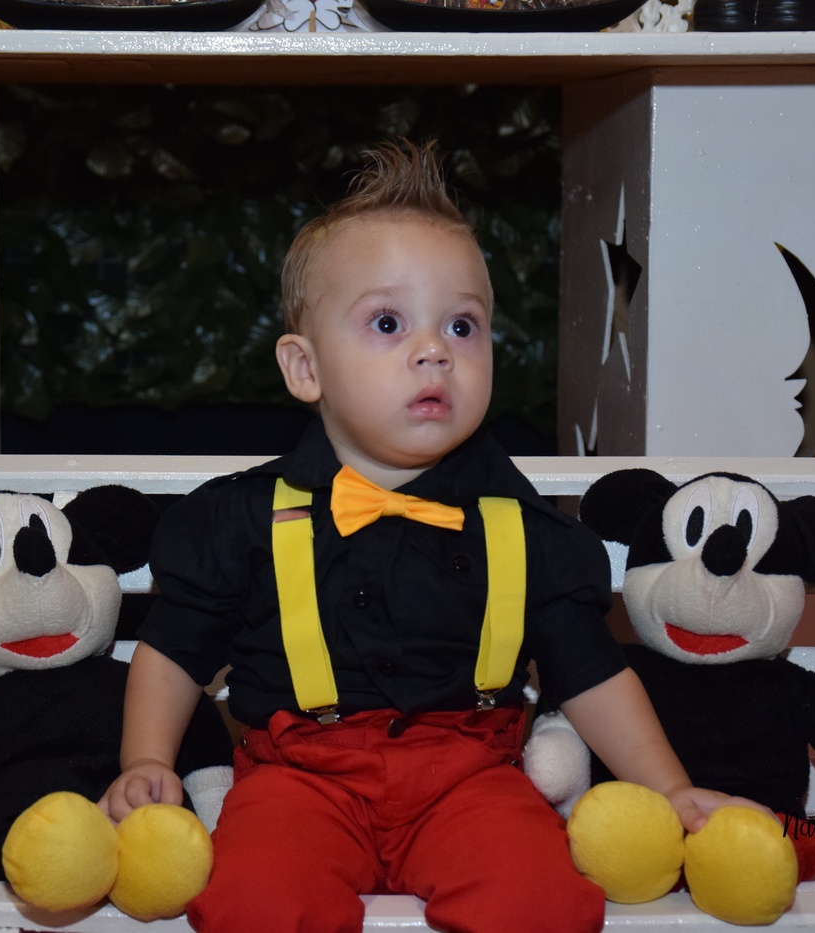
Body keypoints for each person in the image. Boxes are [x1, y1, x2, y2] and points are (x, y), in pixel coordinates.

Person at [101, 140, 756, 933]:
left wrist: (670, 786)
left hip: (471, 780)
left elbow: (591, 672)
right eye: (388, 322)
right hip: (300, 780)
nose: (434, 349)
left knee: (542, 899)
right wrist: (144, 760)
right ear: (305, 368)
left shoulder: (522, 527)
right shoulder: (244, 518)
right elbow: (173, 651)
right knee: (256, 898)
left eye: (462, 325)